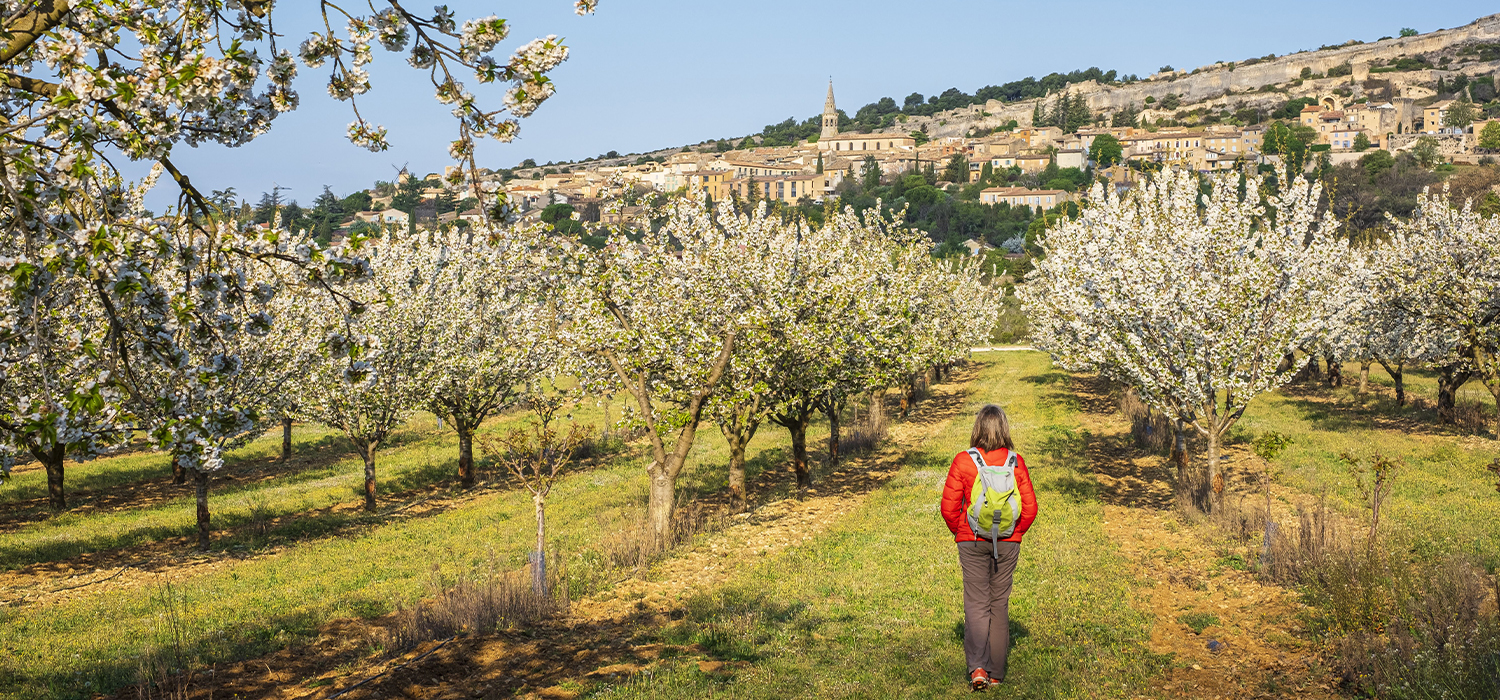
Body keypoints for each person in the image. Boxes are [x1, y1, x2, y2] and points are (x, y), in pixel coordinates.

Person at [940, 404, 1038, 691]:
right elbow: (1030, 508)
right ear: (1005, 428)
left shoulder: (963, 461)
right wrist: (1014, 533)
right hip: (1007, 542)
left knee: (976, 602)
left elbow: (948, 508)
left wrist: (962, 531)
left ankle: (978, 669)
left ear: (978, 428)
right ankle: (996, 672)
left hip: (971, 540)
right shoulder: (1016, 462)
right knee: (999, 603)